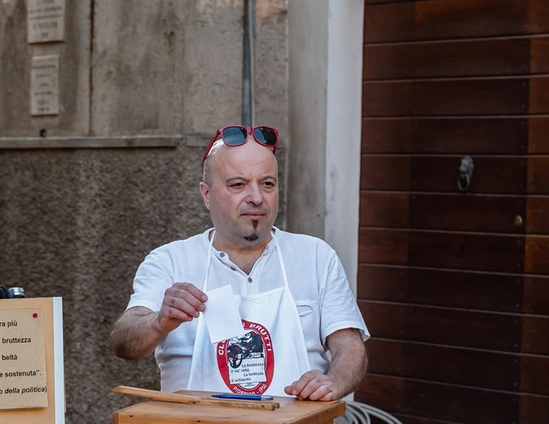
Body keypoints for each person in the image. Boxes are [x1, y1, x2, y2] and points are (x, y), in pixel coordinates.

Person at [110, 125, 368, 404]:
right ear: (206, 195)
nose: (256, 197)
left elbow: (349, 345)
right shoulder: (170, 261)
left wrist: (332, 382)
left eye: (267, 183)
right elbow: (123, 342)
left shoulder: (316, 256)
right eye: (238, 184)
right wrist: (158, 321)